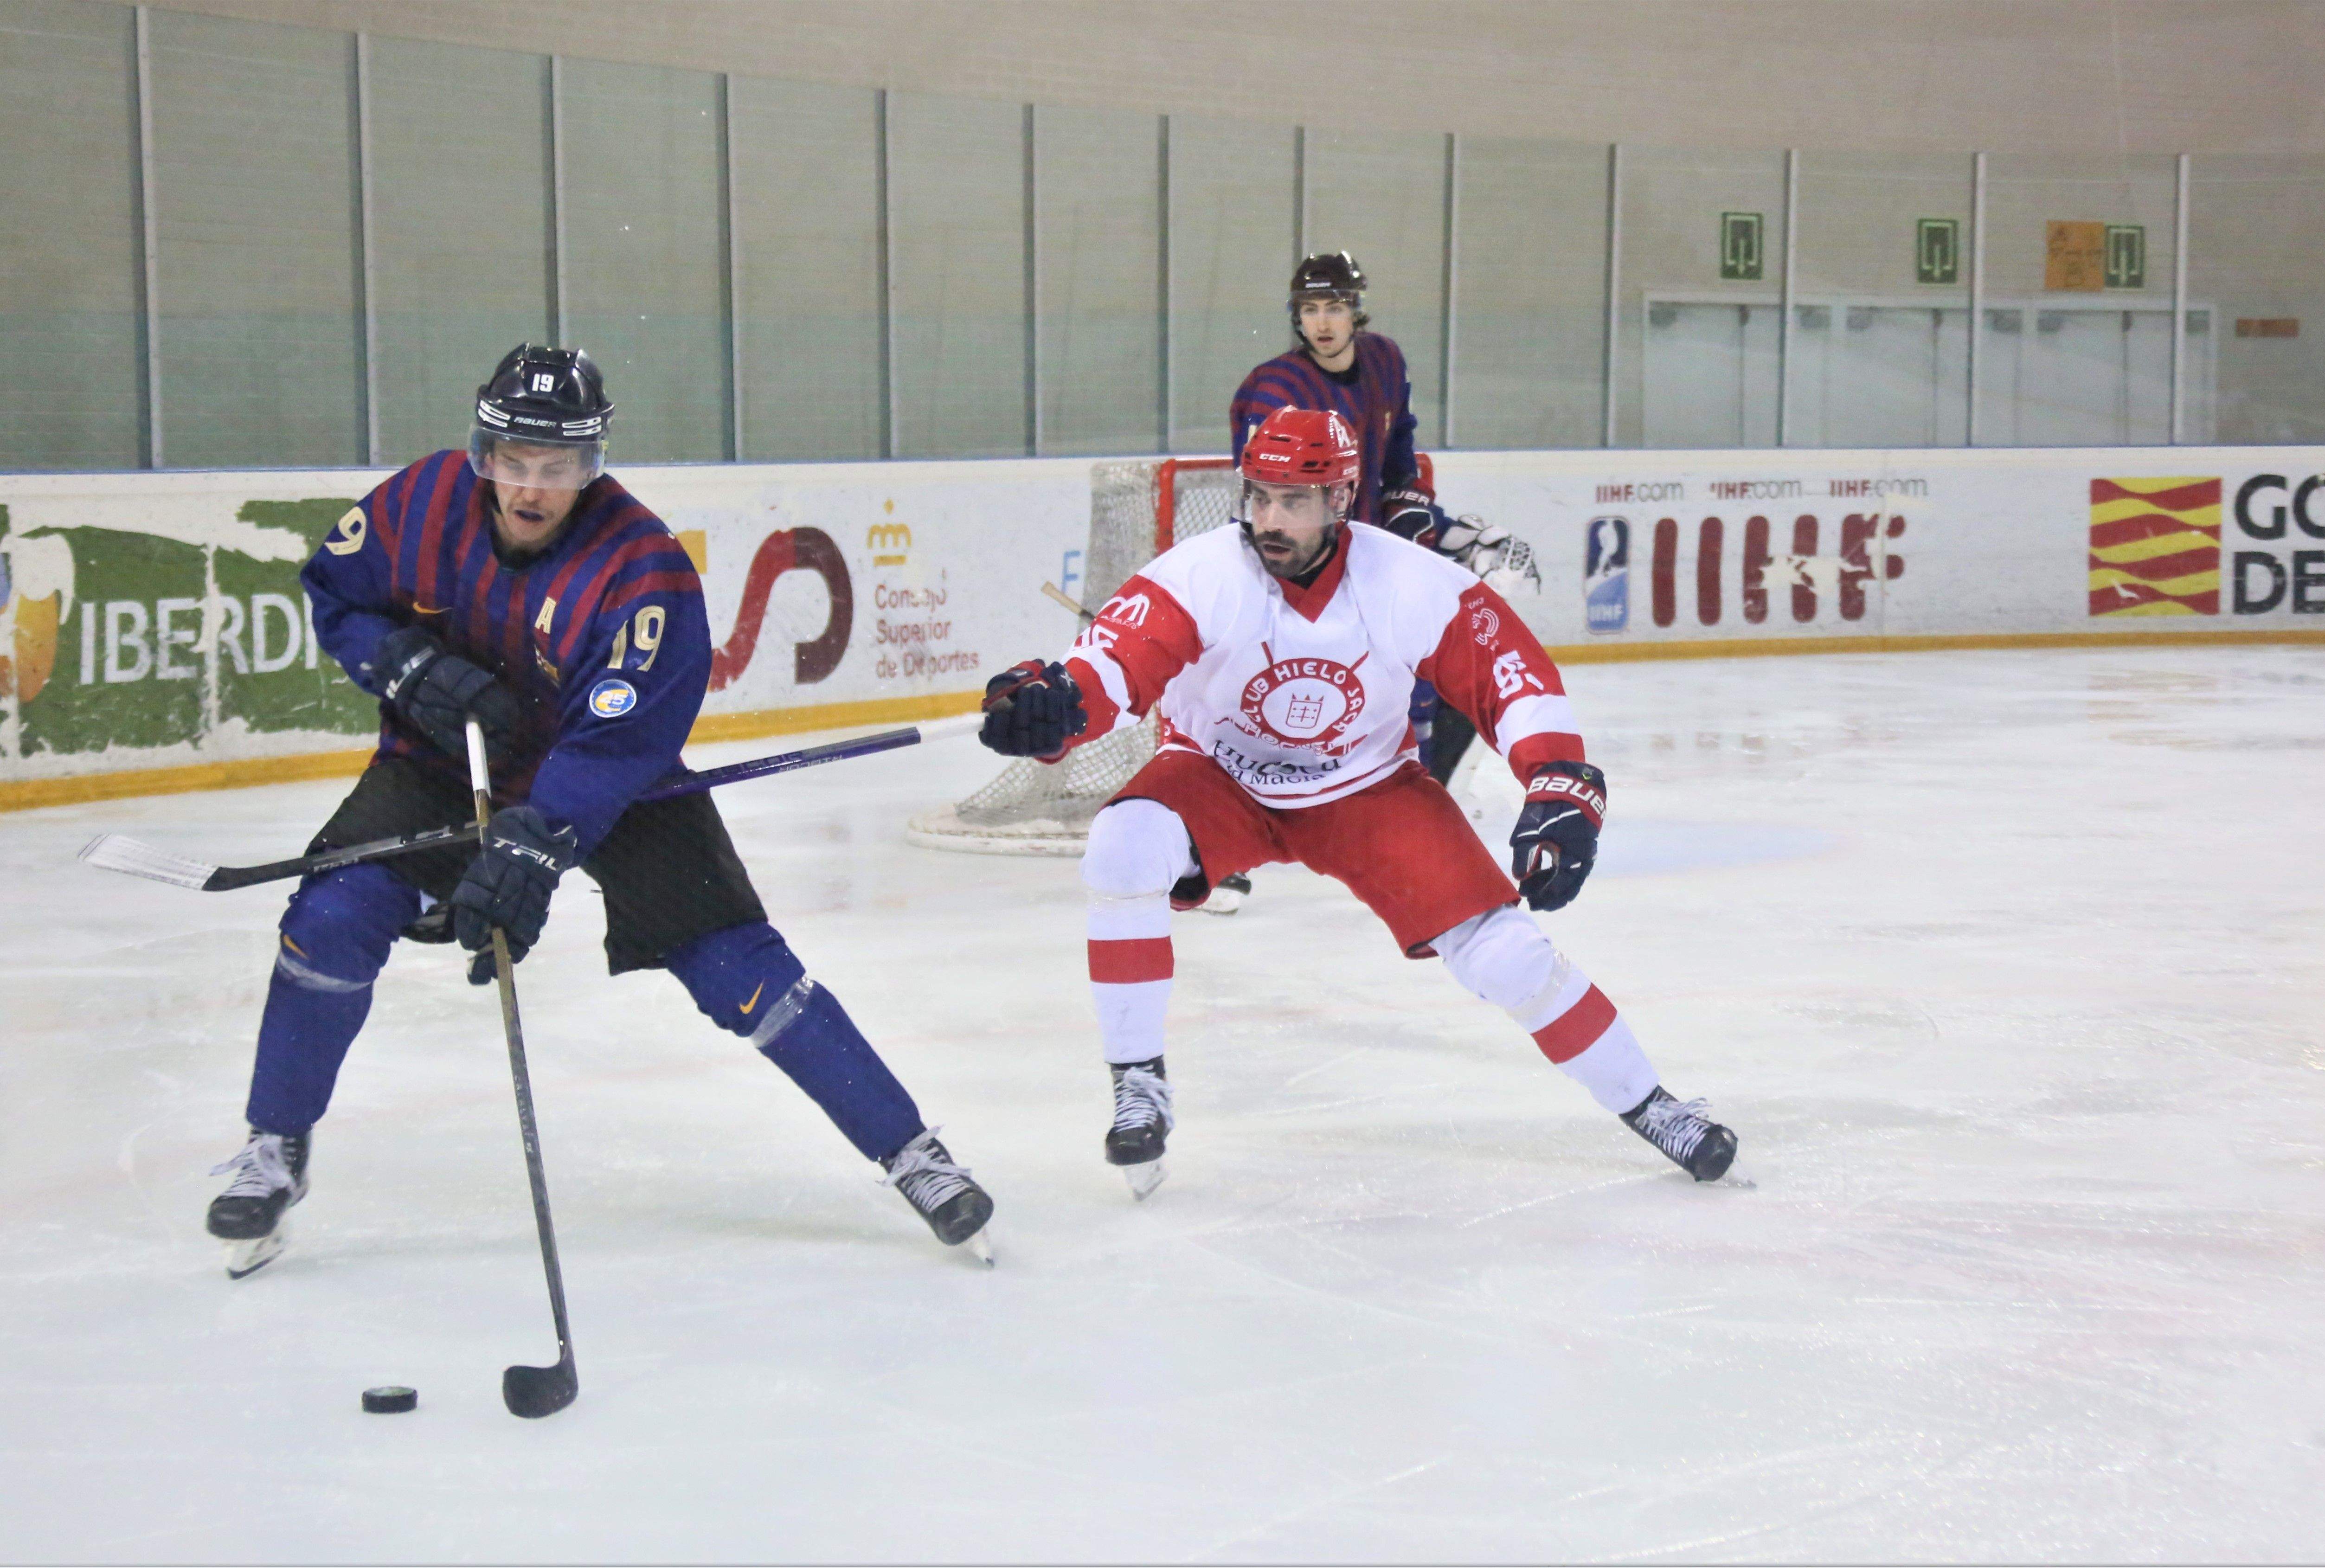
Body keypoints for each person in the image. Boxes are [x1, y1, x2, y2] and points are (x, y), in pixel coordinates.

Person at [202, 344, 993, 1276]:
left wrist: (534, 849)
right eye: (513, 462)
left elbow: (617, 739)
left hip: (608, 781)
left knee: (738, 969)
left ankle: (911, 1152)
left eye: (560, 468)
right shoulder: (417, 502)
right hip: (438, 764)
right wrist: (408, 667)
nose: (532, 487)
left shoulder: (640, 568)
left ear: (593, 465)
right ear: (481, 451)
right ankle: (274, 1148)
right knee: (327, 920)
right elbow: (336, 594)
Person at [976, 406, 1737, 1199]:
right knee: (1121, 847)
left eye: (1292, 501)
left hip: (1366, 791)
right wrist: (1055, 707)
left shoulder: (1407, 580)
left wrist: (1557, 780)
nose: (1268, 519)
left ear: (1340, 498)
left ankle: (1654, 1106)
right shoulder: (1199, 574)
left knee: (1507, 955)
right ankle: (1138, 1083)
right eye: (1259, 496)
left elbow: (1511, 676)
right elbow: (1114, 666)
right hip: (1216, 777)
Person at [1228, 252, 1538, 807]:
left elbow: (1398, 457)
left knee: (1453, 674)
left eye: (1335, 308)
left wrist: (1418, 511)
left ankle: (1417, 808)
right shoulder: (1275, 390)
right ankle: (1227, 838)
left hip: (1370, 557)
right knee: (1277, 704)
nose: (1321, 323)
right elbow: (1270, 500)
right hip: (1306, 572)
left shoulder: (1385, 362)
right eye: (1309, 309)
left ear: (1356, 311)